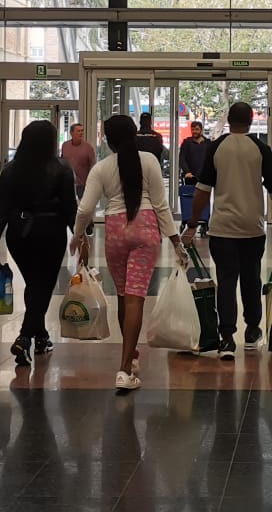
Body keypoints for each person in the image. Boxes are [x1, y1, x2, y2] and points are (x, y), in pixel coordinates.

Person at [72, 114, 182, 392]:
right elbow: (160, 205)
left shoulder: (101, 168)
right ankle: (123, 370)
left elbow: (85, 209)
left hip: (115, 232)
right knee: (136, 298)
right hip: (145, 231)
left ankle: (130, 358)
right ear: (134, 135)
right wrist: (175, 241)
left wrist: (77, 235)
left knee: (123, 296)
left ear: (107, 141)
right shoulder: (150, 161)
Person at [185, 101, 272, 359]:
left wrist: (192, 223)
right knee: (252, 279)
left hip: (222, 229)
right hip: (252, 228)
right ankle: (252, 331)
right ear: (251, 120)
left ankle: (227, 339)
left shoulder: (216, 147)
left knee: (226, 282)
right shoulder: (260, 148)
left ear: (229, 119)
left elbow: (202, 189)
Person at [0, 120, 77, 366]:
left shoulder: (11, 170)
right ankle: (25, 337)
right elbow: (70, 208)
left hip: (18, 234)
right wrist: (80, 234)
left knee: (34, 284)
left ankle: (42, 336)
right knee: (42, 286)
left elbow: (2, 207)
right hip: (51, 232)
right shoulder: (62, 168)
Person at [178, 121, 211, 230]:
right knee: (190, 198)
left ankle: (204, 219)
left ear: (201, 130)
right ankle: (190, 218)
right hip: (190, 177)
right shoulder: (187, 143)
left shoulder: (208, 143)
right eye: (192, 129)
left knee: (205, 199)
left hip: (204, 177)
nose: (194, 131)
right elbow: (182, 159)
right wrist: (187, 171)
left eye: (196, 129)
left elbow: (210, 160)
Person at [61, 123, 97, 200]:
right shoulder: (65, 145)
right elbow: (62, 162)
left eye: (82, 131)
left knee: (82, 207)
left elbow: (93, 166)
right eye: (78, 131)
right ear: (71, 133)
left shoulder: (88, 148)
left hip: (82, 185)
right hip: (67, 183)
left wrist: (91, 183)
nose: (81, 133)